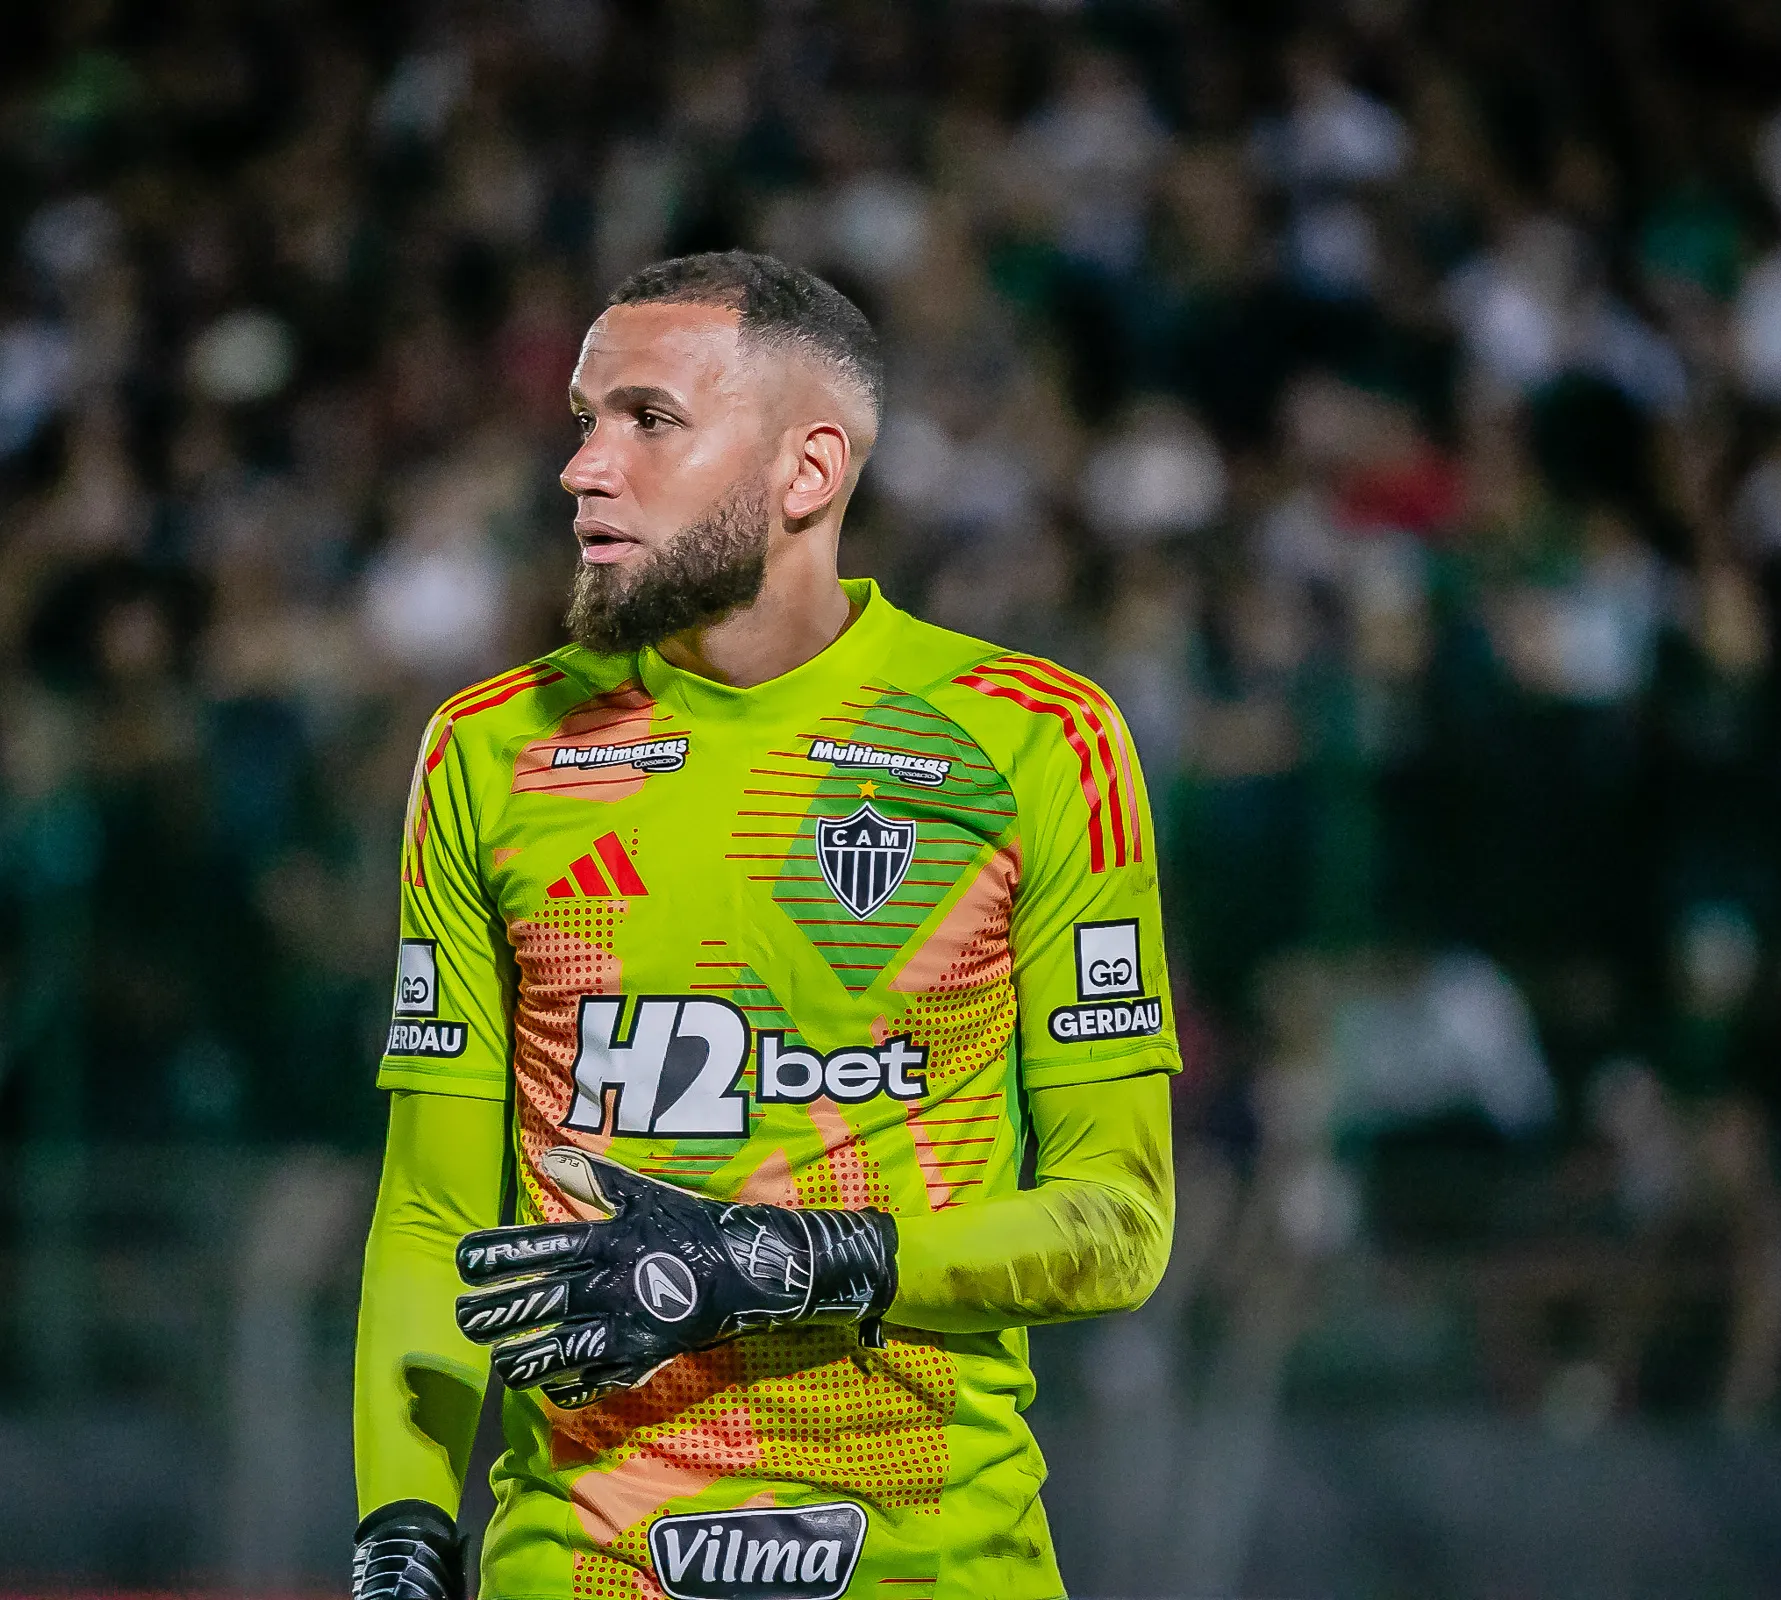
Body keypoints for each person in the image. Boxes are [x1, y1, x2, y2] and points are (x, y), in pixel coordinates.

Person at [350, 252, 1181, 1599]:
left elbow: (1118, 1220)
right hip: (581, 1569)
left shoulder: (1034, 743)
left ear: (809, 474)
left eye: (650, 421)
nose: (584, 469)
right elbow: (435, 1216)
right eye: (584, 421)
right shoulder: (489, 753)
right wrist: (398, 1529)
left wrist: (794, 1257)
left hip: (932, 1567)